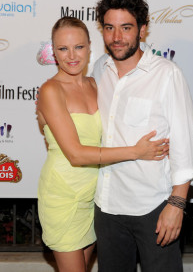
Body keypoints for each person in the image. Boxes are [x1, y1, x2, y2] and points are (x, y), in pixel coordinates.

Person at [36, 16, 170, 272]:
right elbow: (75, 154)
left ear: (89, 47)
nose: (72, 56)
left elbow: (117, 128)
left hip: (93, 197)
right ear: (53, 52)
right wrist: (136, 152)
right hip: (63, 196)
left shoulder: (96, 84)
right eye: (63, 49)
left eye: (79, 47)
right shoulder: (51, 90)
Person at [92, 0, 193, 272]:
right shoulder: (99, 69)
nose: (117, 37)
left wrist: (176, 205)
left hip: (153, 208)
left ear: (142, 30)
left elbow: (185, 144)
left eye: (126, 28)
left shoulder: (167, 74)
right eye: (109, 28)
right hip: (107, 206)